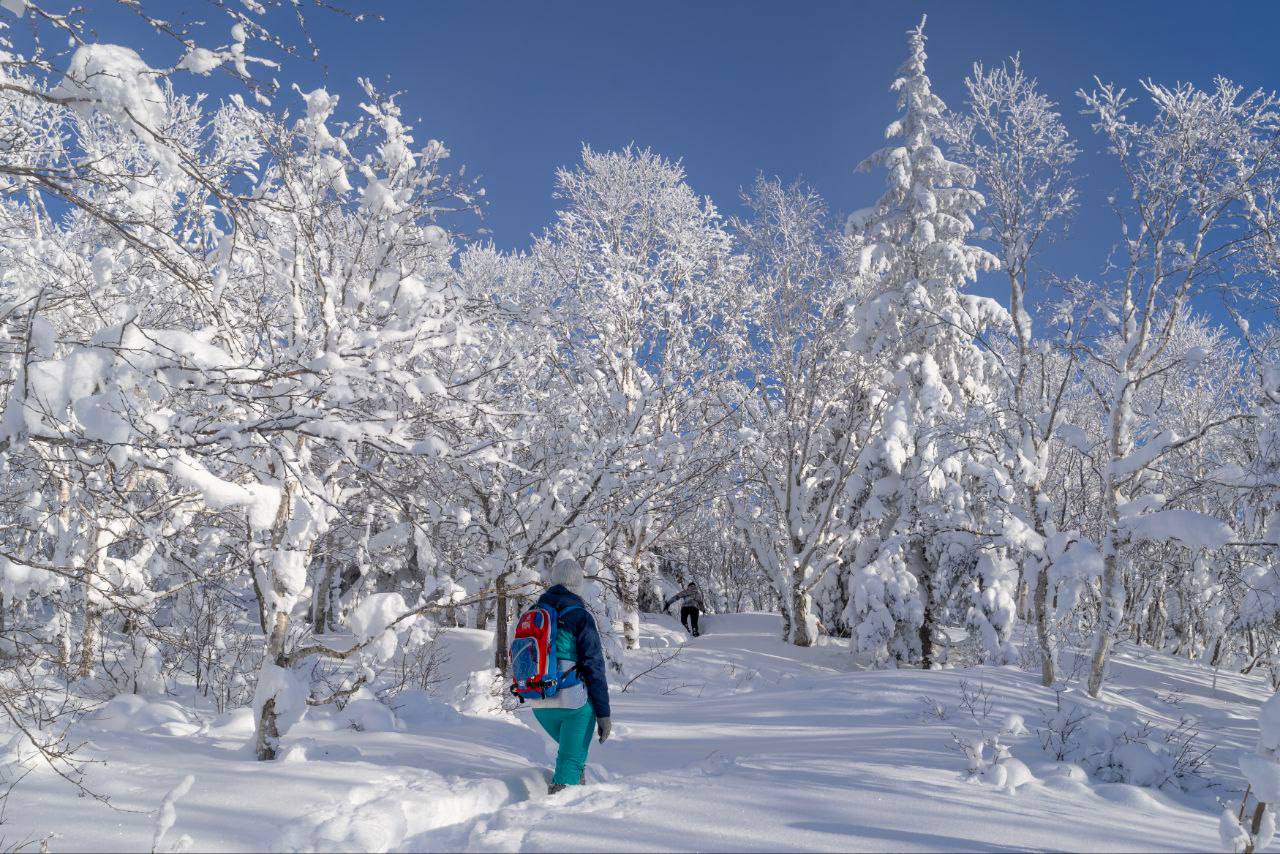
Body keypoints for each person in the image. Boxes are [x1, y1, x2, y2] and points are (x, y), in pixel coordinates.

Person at [527, 556, 612, 794]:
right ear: (577, 584)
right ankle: (562, 815)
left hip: (539, 701)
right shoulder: (579, 616)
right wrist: (604, 714)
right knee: (569, 769)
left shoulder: (535, 612)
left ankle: (574, 785)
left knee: (573, 758)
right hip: (572, 703)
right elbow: (594, 666)